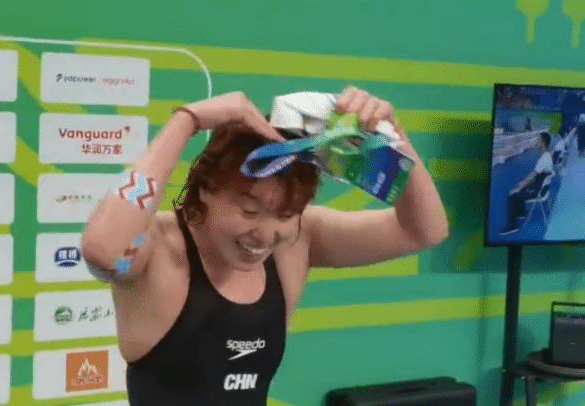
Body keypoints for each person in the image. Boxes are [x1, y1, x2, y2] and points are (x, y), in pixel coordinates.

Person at [81, 87, 449, 406]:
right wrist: (186, 121)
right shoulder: (159, 248)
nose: (264, 235)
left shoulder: (299, 240)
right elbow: (104, 249)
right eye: (249, 210)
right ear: (206, 187)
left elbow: (424, 231)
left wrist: (391, 138)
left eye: (285, 214)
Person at [499, 132, 554, 236]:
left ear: (543, 142)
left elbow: (532, 176)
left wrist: (519, 188)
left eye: (538, 140)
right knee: (522, 187)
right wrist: (523, 185)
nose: (536, 142)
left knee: (512, 196)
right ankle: (521, 213)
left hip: (539, 190)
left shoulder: (544, 159)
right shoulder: (547, 155)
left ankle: (512, 226)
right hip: (543, 187)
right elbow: (535, 175)